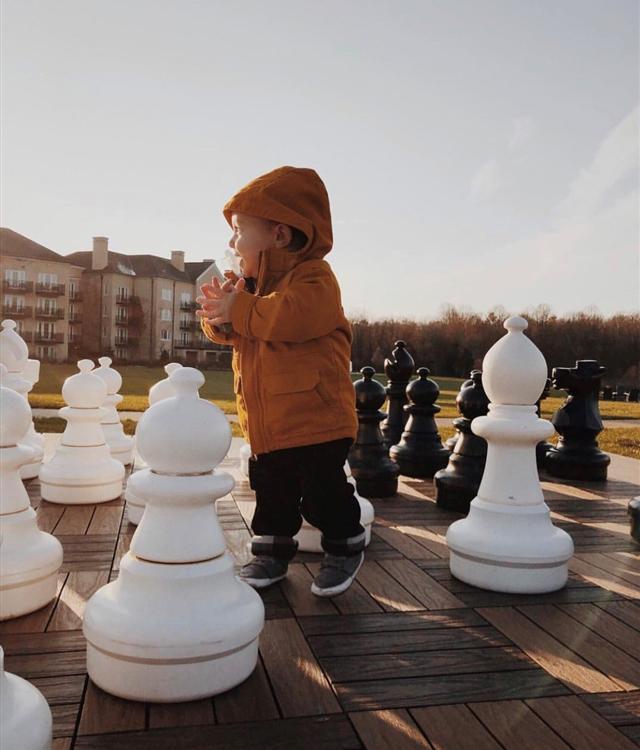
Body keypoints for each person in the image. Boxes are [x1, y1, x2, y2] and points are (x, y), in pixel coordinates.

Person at [197, 166, 364, 597]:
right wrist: (221, 316)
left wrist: (241, 307)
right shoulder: (250, 289)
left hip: (317, 420)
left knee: (322, 494)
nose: (232, 244)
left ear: (279, 235)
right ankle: (270, 553)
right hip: (270, 424)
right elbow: (237, 330)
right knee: (272, 494)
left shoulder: (314, 280)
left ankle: (345, 546)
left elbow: (288, 318)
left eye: (238, 232)